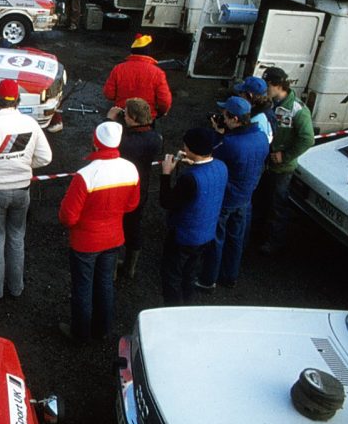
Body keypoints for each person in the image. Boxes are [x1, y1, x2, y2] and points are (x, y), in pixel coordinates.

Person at [0, 79, 52, 299]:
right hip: (22, 190)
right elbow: (45, 157)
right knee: (17, 237)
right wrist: (23, 166)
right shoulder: (30, 124)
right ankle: (16, 287)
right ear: (18, 100)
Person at [58, 122, 140, 339]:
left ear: (96, 142)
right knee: (105, 284)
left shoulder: (86, 175)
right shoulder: (130, 169)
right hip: (114, 238)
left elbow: (68, 216)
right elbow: (132, 205)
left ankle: (80, 333)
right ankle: (103, 329)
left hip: (85, 241)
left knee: (83, 288)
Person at [197, 95, 269, 290]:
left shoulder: (230, 144)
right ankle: (230, 276)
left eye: (225, 115)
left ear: (235, 119)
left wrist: (218, 134)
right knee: (236, 239)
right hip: (245, 197)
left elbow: (212, 159)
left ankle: (207, 279)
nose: (223, 118)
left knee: (216, 239)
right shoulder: (261, 136)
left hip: (226, 198)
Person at [158, 128, 228, 305]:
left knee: (172, 275)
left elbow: (167, 202)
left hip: (184, 235)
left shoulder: (189, 179)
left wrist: (166, 173)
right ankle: (188, 304)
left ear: (189, 149)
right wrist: (194, 162)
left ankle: (172, 308)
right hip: (206, 232)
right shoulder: (221, 166)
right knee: (190, 273)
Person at [256, 66, 314, 256]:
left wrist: (285, 155)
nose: (265, 88)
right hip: (266, 162)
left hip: (282, 168)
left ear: (278, 85)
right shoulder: (271, 103)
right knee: (262, 199)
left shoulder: (298, 109)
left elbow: (307, 139)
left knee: (277, 204)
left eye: (268, 85)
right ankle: (259, 234)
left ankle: (275, 242)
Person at [107, 98, 163, 281]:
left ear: (132, 118)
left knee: (115, 228)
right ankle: (130, 267)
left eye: (126, 113)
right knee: (134, 228)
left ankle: (112, 270)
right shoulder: (155, 138)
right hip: (141, 190)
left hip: (120, 189)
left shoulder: (125, 142)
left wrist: (111, 120)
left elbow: (108, 142)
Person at [103, 34, 172, 119]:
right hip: (146, 118)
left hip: (123, 115)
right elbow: (165, 101)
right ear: (148, 53)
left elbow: (109, 94)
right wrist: (161, 112)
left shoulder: (118, 69)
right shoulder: (157, 73)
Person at [234, 76, 274, 144]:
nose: (239, 96)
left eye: (241, 92)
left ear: (250, 95)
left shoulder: (256, 119)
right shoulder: (267, 110)